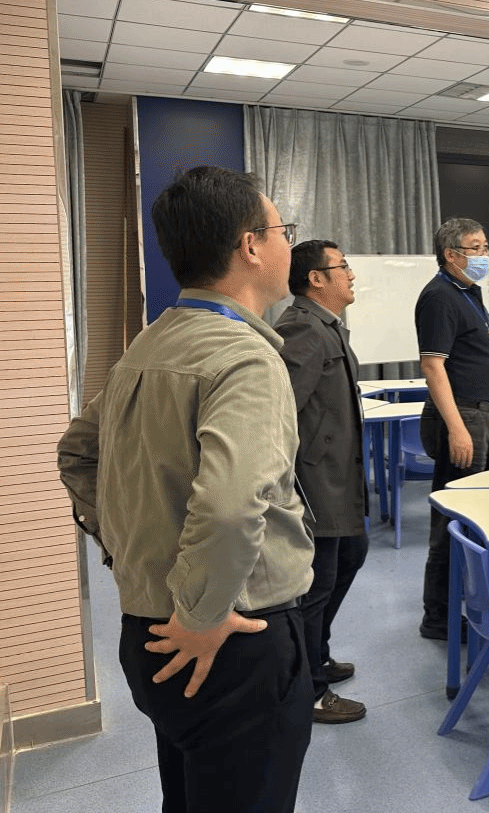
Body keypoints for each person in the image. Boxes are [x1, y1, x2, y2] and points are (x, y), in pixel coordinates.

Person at [57, 166, 315, 813]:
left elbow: (77, 453)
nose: (289, 243)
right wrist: (200, 613)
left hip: (149, 634)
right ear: (251, 246)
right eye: (283, 230)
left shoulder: (148, 344)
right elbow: (229, 508)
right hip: (228, 641)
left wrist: (130, 550)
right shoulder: (246, 358)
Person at [275, 240, 368, 724]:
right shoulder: (302, 329)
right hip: (315, 483)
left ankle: (319, 654)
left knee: (351, 556)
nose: (350, 274)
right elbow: (279, 412)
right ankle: (309, 688)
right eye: (342, 266)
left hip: (338, 477)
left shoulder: (326, 326)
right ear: (316, 278)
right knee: (316, 584)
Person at [416, 217, 489, 641]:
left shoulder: (467, 292)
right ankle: (439, 616)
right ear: (451, 254)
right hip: (464, 419)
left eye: (486, 246)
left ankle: (475, 595)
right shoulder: (440, 296)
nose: (485, 254)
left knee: (475, 518)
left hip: (481, 416)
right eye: (476, 247)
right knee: (453, 522)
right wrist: (456, 429)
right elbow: (433, 367)